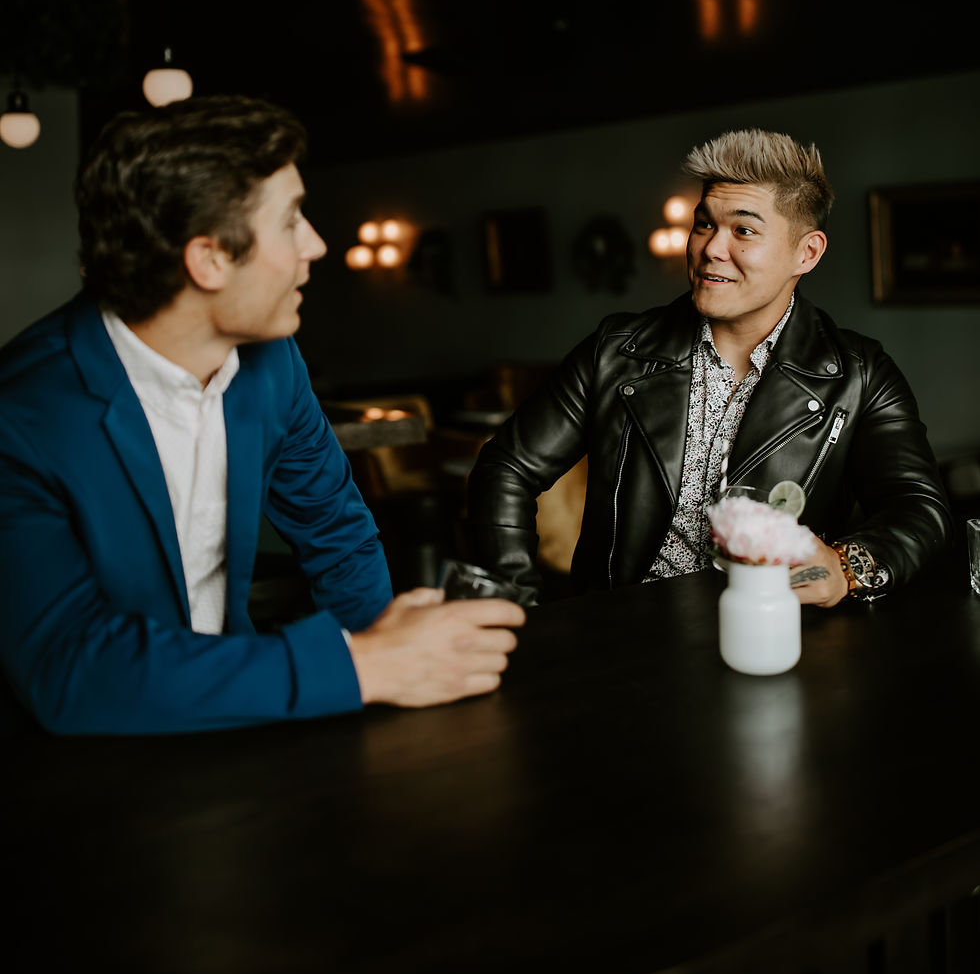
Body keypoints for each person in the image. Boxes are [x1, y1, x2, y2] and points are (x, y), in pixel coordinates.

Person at [0, 95, 523, 735]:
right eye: (292, 220)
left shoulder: (273, 362)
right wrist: (364, 667)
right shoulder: (20, 415)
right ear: (209, 259)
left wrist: (405, 674)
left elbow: (337, 532)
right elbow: (70, 667)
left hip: (241, 719)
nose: (318, 244)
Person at [467, 128, 951, 605]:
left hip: (773, 634)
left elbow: (919, 508)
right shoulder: (616, 350)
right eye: (704, 224)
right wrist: (515, 603)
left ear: (807, 253)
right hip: (619, 641)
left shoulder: (859, 374)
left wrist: (848, 569)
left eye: (743, 230)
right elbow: (507, 465)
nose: (710, 249)